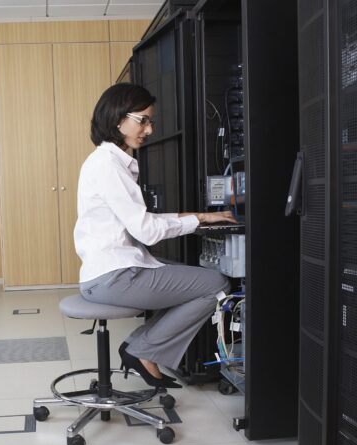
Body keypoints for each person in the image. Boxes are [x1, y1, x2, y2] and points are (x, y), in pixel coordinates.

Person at [74, 83, 236, 389]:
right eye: (143, 120)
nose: (148, 129)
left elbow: (141, 220)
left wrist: (198, 217)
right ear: (118, 118)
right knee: (216, 284)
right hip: (115, 277)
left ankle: (138, 347)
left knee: (174, 273)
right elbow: (145, 230)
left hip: (103, 275)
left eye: (151, 121)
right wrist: (193, 223)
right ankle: (142, 350)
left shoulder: (105, 161)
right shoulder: (109, 165)